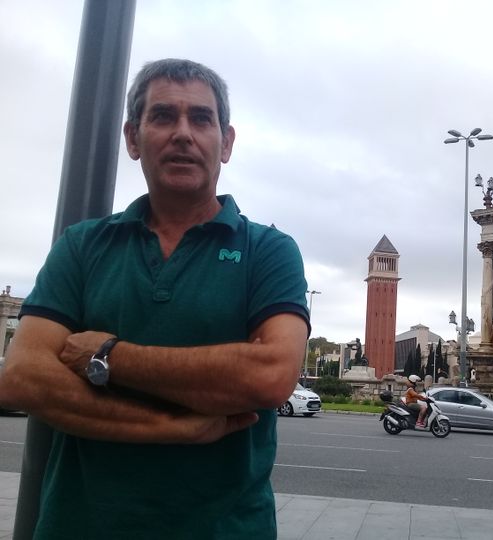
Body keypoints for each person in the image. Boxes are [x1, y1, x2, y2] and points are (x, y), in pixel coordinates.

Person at [0, 59, 310, 539]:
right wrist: (173, 427)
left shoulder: (268, 250)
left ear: (225, 143)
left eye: (201, 119)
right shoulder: (82, 245)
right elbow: (22, 378)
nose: (183, 133)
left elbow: (270, 376)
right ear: (132, 138)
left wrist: (107, 357)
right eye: (163, 116)